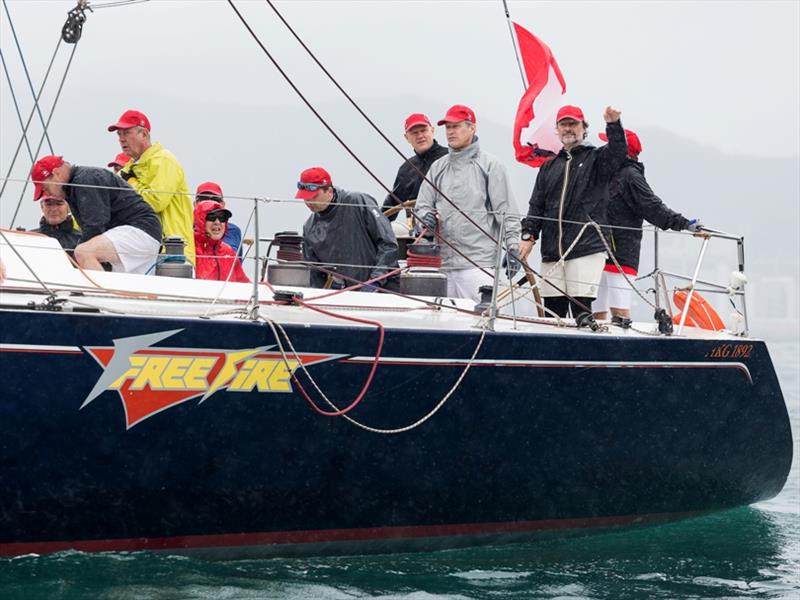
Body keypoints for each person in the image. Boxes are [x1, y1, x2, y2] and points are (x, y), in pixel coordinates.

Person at [519, 105, 628, 321]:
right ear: (557, 130)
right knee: (552, 314)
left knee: (582, 313)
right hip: (552, 251)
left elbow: (618, 152)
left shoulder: (597, 159)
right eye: (563, 124)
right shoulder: (549, 166)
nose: (568, 129)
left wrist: (614, 125)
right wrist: (528, 235)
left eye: (573, 124)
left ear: (583, 128)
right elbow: (536, 206)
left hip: (586, 248)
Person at [591, 129, 700, 323]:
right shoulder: (608, 175)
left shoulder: (630, 176)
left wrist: (683, 223)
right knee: (595, 311)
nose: (605, 148)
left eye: (610, 144)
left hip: (621, 254)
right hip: (598, 251)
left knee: (619, 311)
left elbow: (652, 207)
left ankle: (621, 348)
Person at [415, 104, 521, 301]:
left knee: (479, 324)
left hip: (478, 265)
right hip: (443, 265)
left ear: (472, 128)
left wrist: (513, 248)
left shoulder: (491, 165)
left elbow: (505, 212)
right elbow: (422, 206)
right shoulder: (438, 167)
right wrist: (424, 219)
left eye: (456, 126)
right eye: (447, 127)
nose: (450, 132)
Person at [30, 155, 162, 273]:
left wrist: (72, 259)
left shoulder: (85, 180)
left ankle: (101, 297)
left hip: (140, 229)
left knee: (84, 252)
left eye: (46, 188)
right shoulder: (77, 185)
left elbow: (95, 226)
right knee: (87, 254)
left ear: (57, 174)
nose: (47, 194)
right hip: (140, 233)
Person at [108, 109, 195, 264]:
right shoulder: (127, 169)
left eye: (127, 133)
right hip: (142, 252)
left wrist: (132, 183)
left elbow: (155, 201)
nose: (121, 139)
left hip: (173, 252)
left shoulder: (164, 160)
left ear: (144, 134)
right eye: (119, 134)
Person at [296, 167, 399, 291]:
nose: (309, 202)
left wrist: (375, 281)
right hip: (347, 293)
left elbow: (388, 244)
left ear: (329, 191)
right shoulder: (309, 228)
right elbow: (315, 273)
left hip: (385, 288)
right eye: (305, 198)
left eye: (314, 196)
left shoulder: (359, 202)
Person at [382, 113, 448, 231]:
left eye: (423, 130)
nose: (420, 136)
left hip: (454, 231)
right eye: (414, 133)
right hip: (423, 234)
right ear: (406, 137)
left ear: (432, 131)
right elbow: (391, 205)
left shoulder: (450, 158)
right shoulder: (406, 169)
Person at [193, 200, 250, 283]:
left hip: (227, 295)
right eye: (211, 217)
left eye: (222, 218)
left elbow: (244, 283)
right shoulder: (190, 249)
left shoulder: (228, 252)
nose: (217, 222)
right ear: (200, 220)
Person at [194, 181, 243, 258]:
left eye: (215, 199)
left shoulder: (233, 230)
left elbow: (234, 261)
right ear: (195, 204)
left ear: (223, 204)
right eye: (204, 198)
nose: (210, 202)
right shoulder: (186, 229)